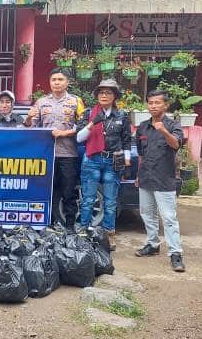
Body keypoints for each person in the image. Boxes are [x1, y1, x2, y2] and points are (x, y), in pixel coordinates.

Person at [25, 68, 85, 232]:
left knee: (68, 191)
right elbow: (30, 128)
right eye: (54, 79)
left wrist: (64, 133)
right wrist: (29, 117)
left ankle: (70, 226)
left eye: (60, 79)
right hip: (46, 155)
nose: (57, 82)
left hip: (68, 154)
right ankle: (47, 224)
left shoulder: (75, 101)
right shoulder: (41, 102)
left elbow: (84, 126)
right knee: (46, 190)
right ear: (49, 82)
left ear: (67, 82)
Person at [76, 79, 132, 250]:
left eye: (108, 92)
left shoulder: (122, 115)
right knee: (88, 199)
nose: (104, 95)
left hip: (112, 161)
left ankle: (109, 234)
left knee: (110, 201)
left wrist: (127, 160)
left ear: (115, 96)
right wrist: (94, 122)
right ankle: (83, 233)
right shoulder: (88, 113)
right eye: (101, 93)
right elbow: (78, 138)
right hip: (92, 159)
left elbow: (126, 141)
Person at [135, 90, 185, 272]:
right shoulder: (142, 127)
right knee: (147, 214)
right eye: (150, 103)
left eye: (157, 103)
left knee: (169, 218)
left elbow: (176, 145)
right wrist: (138, 176)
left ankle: (175, 254)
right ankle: (152, 244)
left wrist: (164, 131)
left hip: (164, 178)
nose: (153, 106)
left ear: (166, 105)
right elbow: (141, 154)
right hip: (146, 177)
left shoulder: (173, 125)